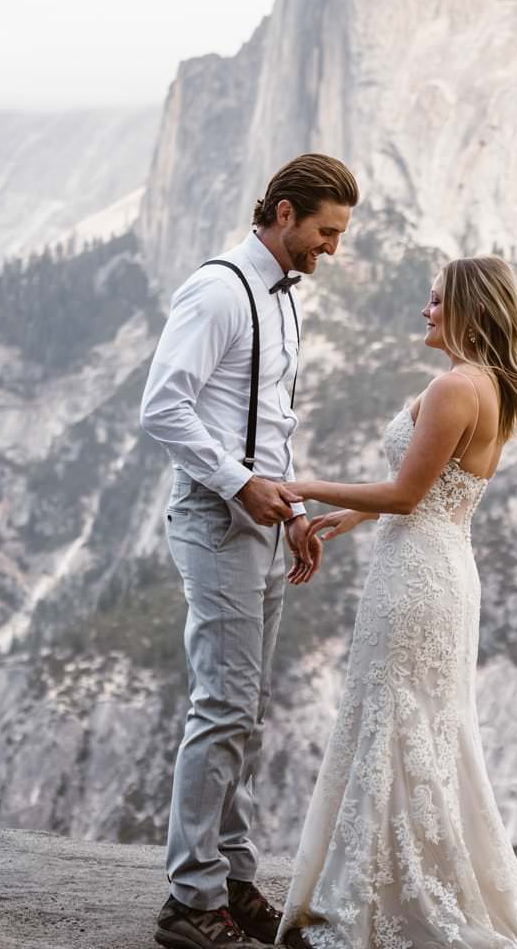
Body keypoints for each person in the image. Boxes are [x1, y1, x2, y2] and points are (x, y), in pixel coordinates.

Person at [277, 256, 517, 949]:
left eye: (437, 300)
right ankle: (386, 889)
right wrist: (352, 518)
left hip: (417, 576)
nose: (426, 310)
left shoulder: (453, 389)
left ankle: (382, 900)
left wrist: (307, 487)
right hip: (437, 565)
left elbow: (410, 497)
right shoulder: (490, 386)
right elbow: (432, 490)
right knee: (420, 726)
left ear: (468, 309)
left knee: (396, 721)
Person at [140, 153, 359, 949]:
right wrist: (239, 487)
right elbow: (163, 406)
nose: (331, 248)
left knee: (248, 713)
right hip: (217, 520)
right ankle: (190, 901)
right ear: (286, 212)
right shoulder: (219, 290)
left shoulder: (286, 299)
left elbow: (267, 419)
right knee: (223, 707)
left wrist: (290, 506)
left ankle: (231, 881)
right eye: (326, 232)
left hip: (265, 521)